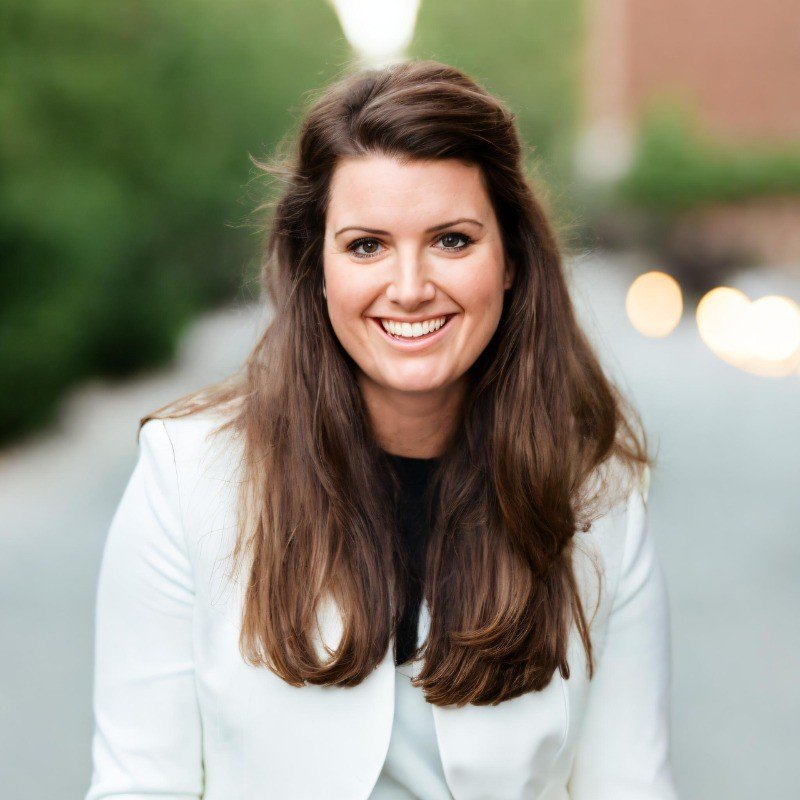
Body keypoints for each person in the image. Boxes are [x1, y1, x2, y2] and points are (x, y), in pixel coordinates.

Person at [85, 59, 678, 800]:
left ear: (512, 261)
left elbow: (630, 787)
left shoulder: (600, 498)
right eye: (367, 245)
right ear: (317, 266)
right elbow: (141, 786)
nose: (409, 287)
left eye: (452, 240)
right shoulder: (186, 473)